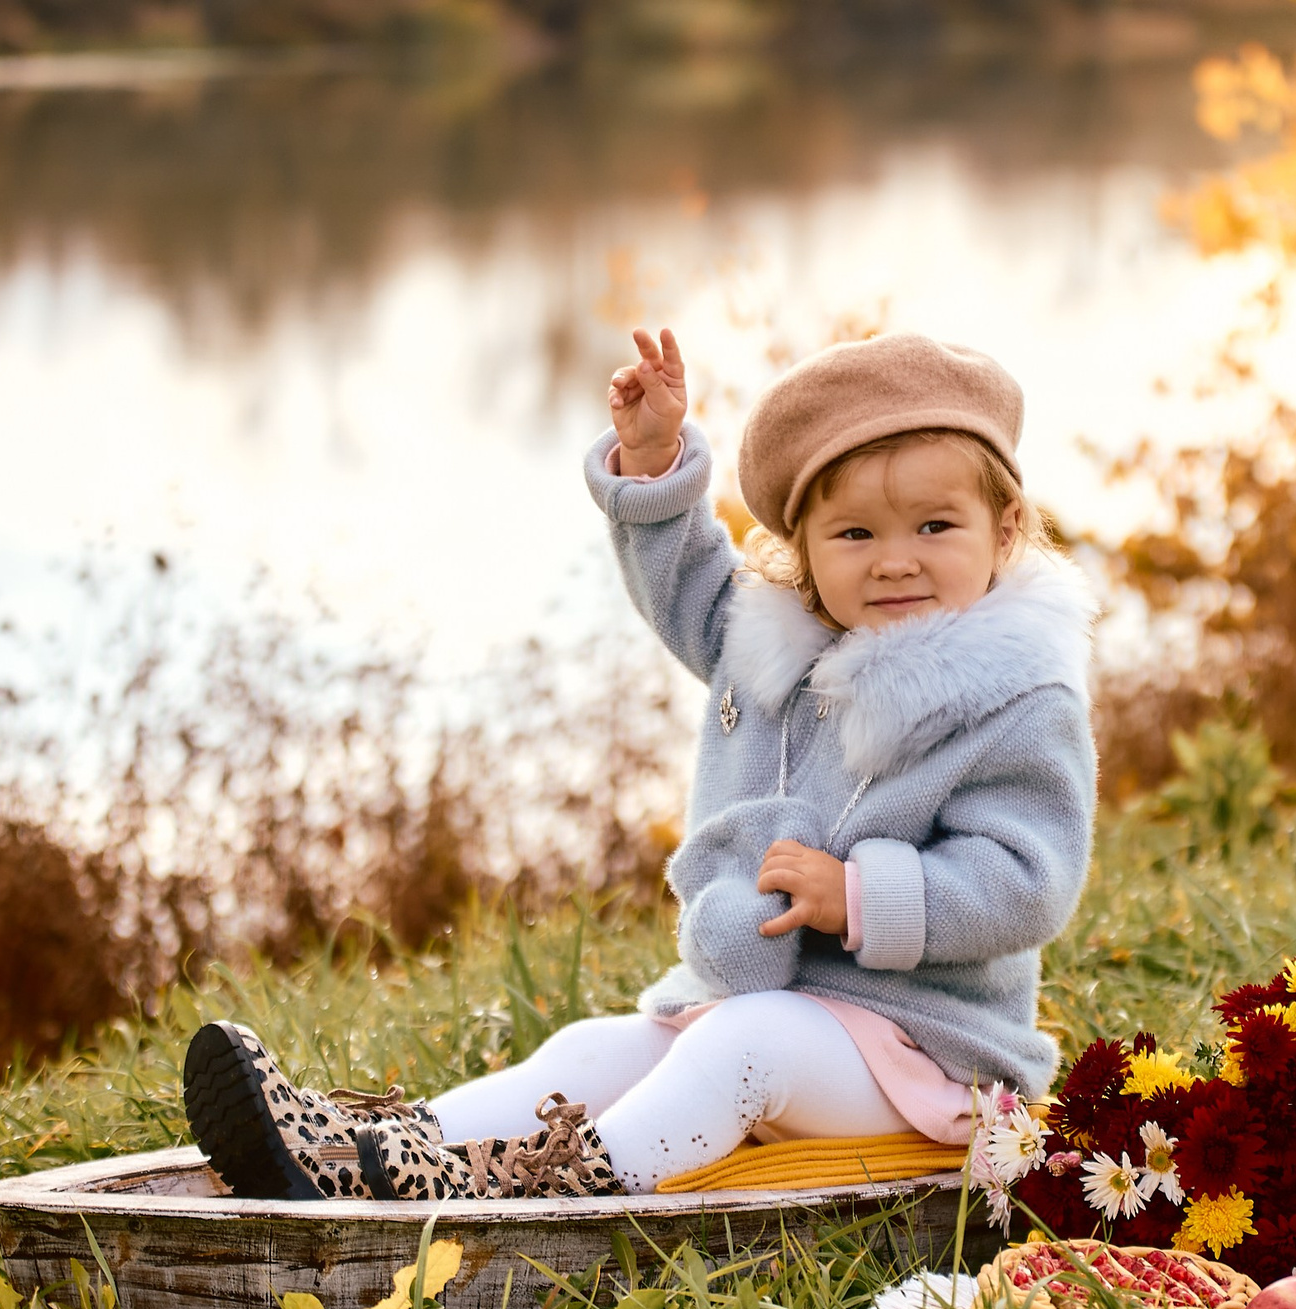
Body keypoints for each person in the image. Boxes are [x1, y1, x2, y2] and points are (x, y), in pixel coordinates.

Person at [183, 327, 1098, 1201]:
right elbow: (690, 587)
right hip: (760, 1005)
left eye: (935, 526)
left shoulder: (1014, 699)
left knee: (742, 1047)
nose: (895, 562)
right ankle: (372, 1151)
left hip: (927, 1055)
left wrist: (860, 895)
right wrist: (656, 466)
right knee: (592, 1051)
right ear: (807, 552)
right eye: (854, 535)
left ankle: (562, 1185)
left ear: (1004, 527)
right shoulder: (781, 651)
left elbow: (1027, 880)